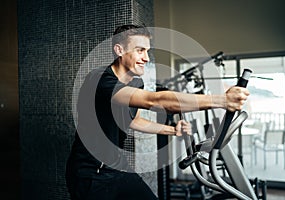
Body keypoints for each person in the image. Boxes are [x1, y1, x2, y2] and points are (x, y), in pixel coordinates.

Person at [65, 24, 250, 200]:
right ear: (119, 50)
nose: (146, 57)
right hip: (91, 173)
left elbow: (133, 121)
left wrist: (171, 130)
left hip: (118, 167)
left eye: (147, 50)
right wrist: (221, 101)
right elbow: (154, 100)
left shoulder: (136, 82)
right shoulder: (100, 80)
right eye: (140, 50)